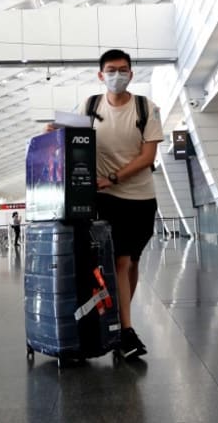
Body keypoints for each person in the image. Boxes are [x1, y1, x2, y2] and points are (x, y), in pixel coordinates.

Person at [82, 48, 164, 360]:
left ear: (131, 73)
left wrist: (114, 177)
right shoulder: (90, 106)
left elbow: (148, 156)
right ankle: (124, 330)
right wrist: (54, 130)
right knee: (119, 261)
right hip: (105, 198)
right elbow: (75, 136)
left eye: (123, 69)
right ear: (101, 75)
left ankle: (122, 312)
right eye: (112, 70)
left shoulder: (146, 108)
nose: (118, 75)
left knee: (132, 262)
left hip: (141, 198)